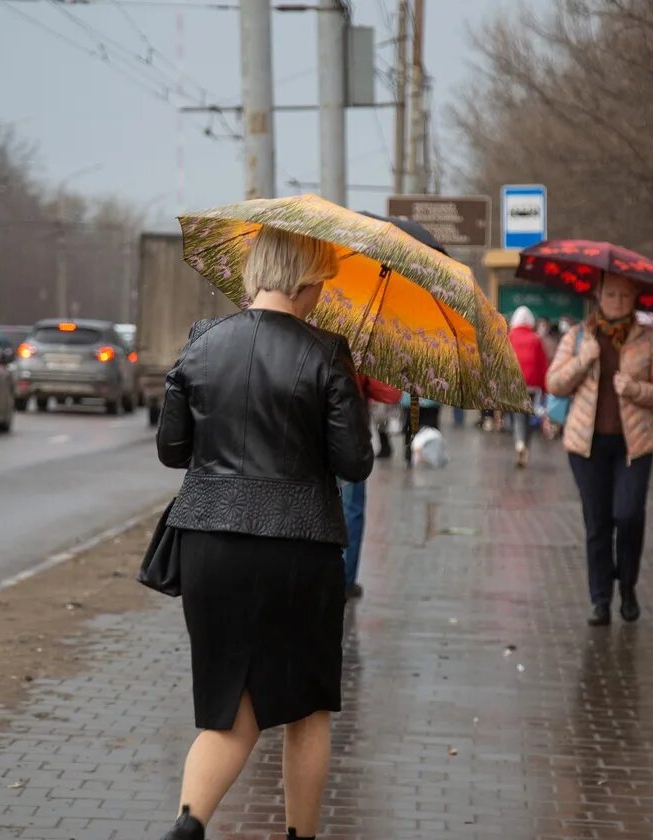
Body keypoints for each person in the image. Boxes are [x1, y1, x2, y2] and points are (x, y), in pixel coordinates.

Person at [155, 227, 374, 840]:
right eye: (321, 283)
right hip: (299, 547)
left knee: (229, 709)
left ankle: (189, 823)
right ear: (307, 280)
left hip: (209, 544)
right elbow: (353, 463)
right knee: (306, 709)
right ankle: (300, 837)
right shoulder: (328, 352)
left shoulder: (201, 343)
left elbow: (172, 450)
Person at [547, 275, 653, 626]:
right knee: (597, 521)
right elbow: (553, 382)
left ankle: (628, 584)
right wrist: (582, 361)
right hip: (585, 446)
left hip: (633, 444)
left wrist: (635, 389)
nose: (618, 301)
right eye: (611, 294)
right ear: (598, 296)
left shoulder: (648, 340)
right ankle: (600, 599)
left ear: (635, 298)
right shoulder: (578, 338)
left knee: (629, 515)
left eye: (625, 295)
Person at [342, 374, 401, 600]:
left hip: (311, 433)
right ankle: (345, 580)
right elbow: (389, 392)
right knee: (352, 510)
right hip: (350, 432)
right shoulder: (360, 346)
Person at [508, 306, 550, 468]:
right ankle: (525, 445)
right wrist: (544, 387)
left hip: (514, 383)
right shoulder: (536, 339)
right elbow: (542, 365)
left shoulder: (509, 337)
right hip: (531, 385)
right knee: (528, 415)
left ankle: (519, 443)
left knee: (517, 415)